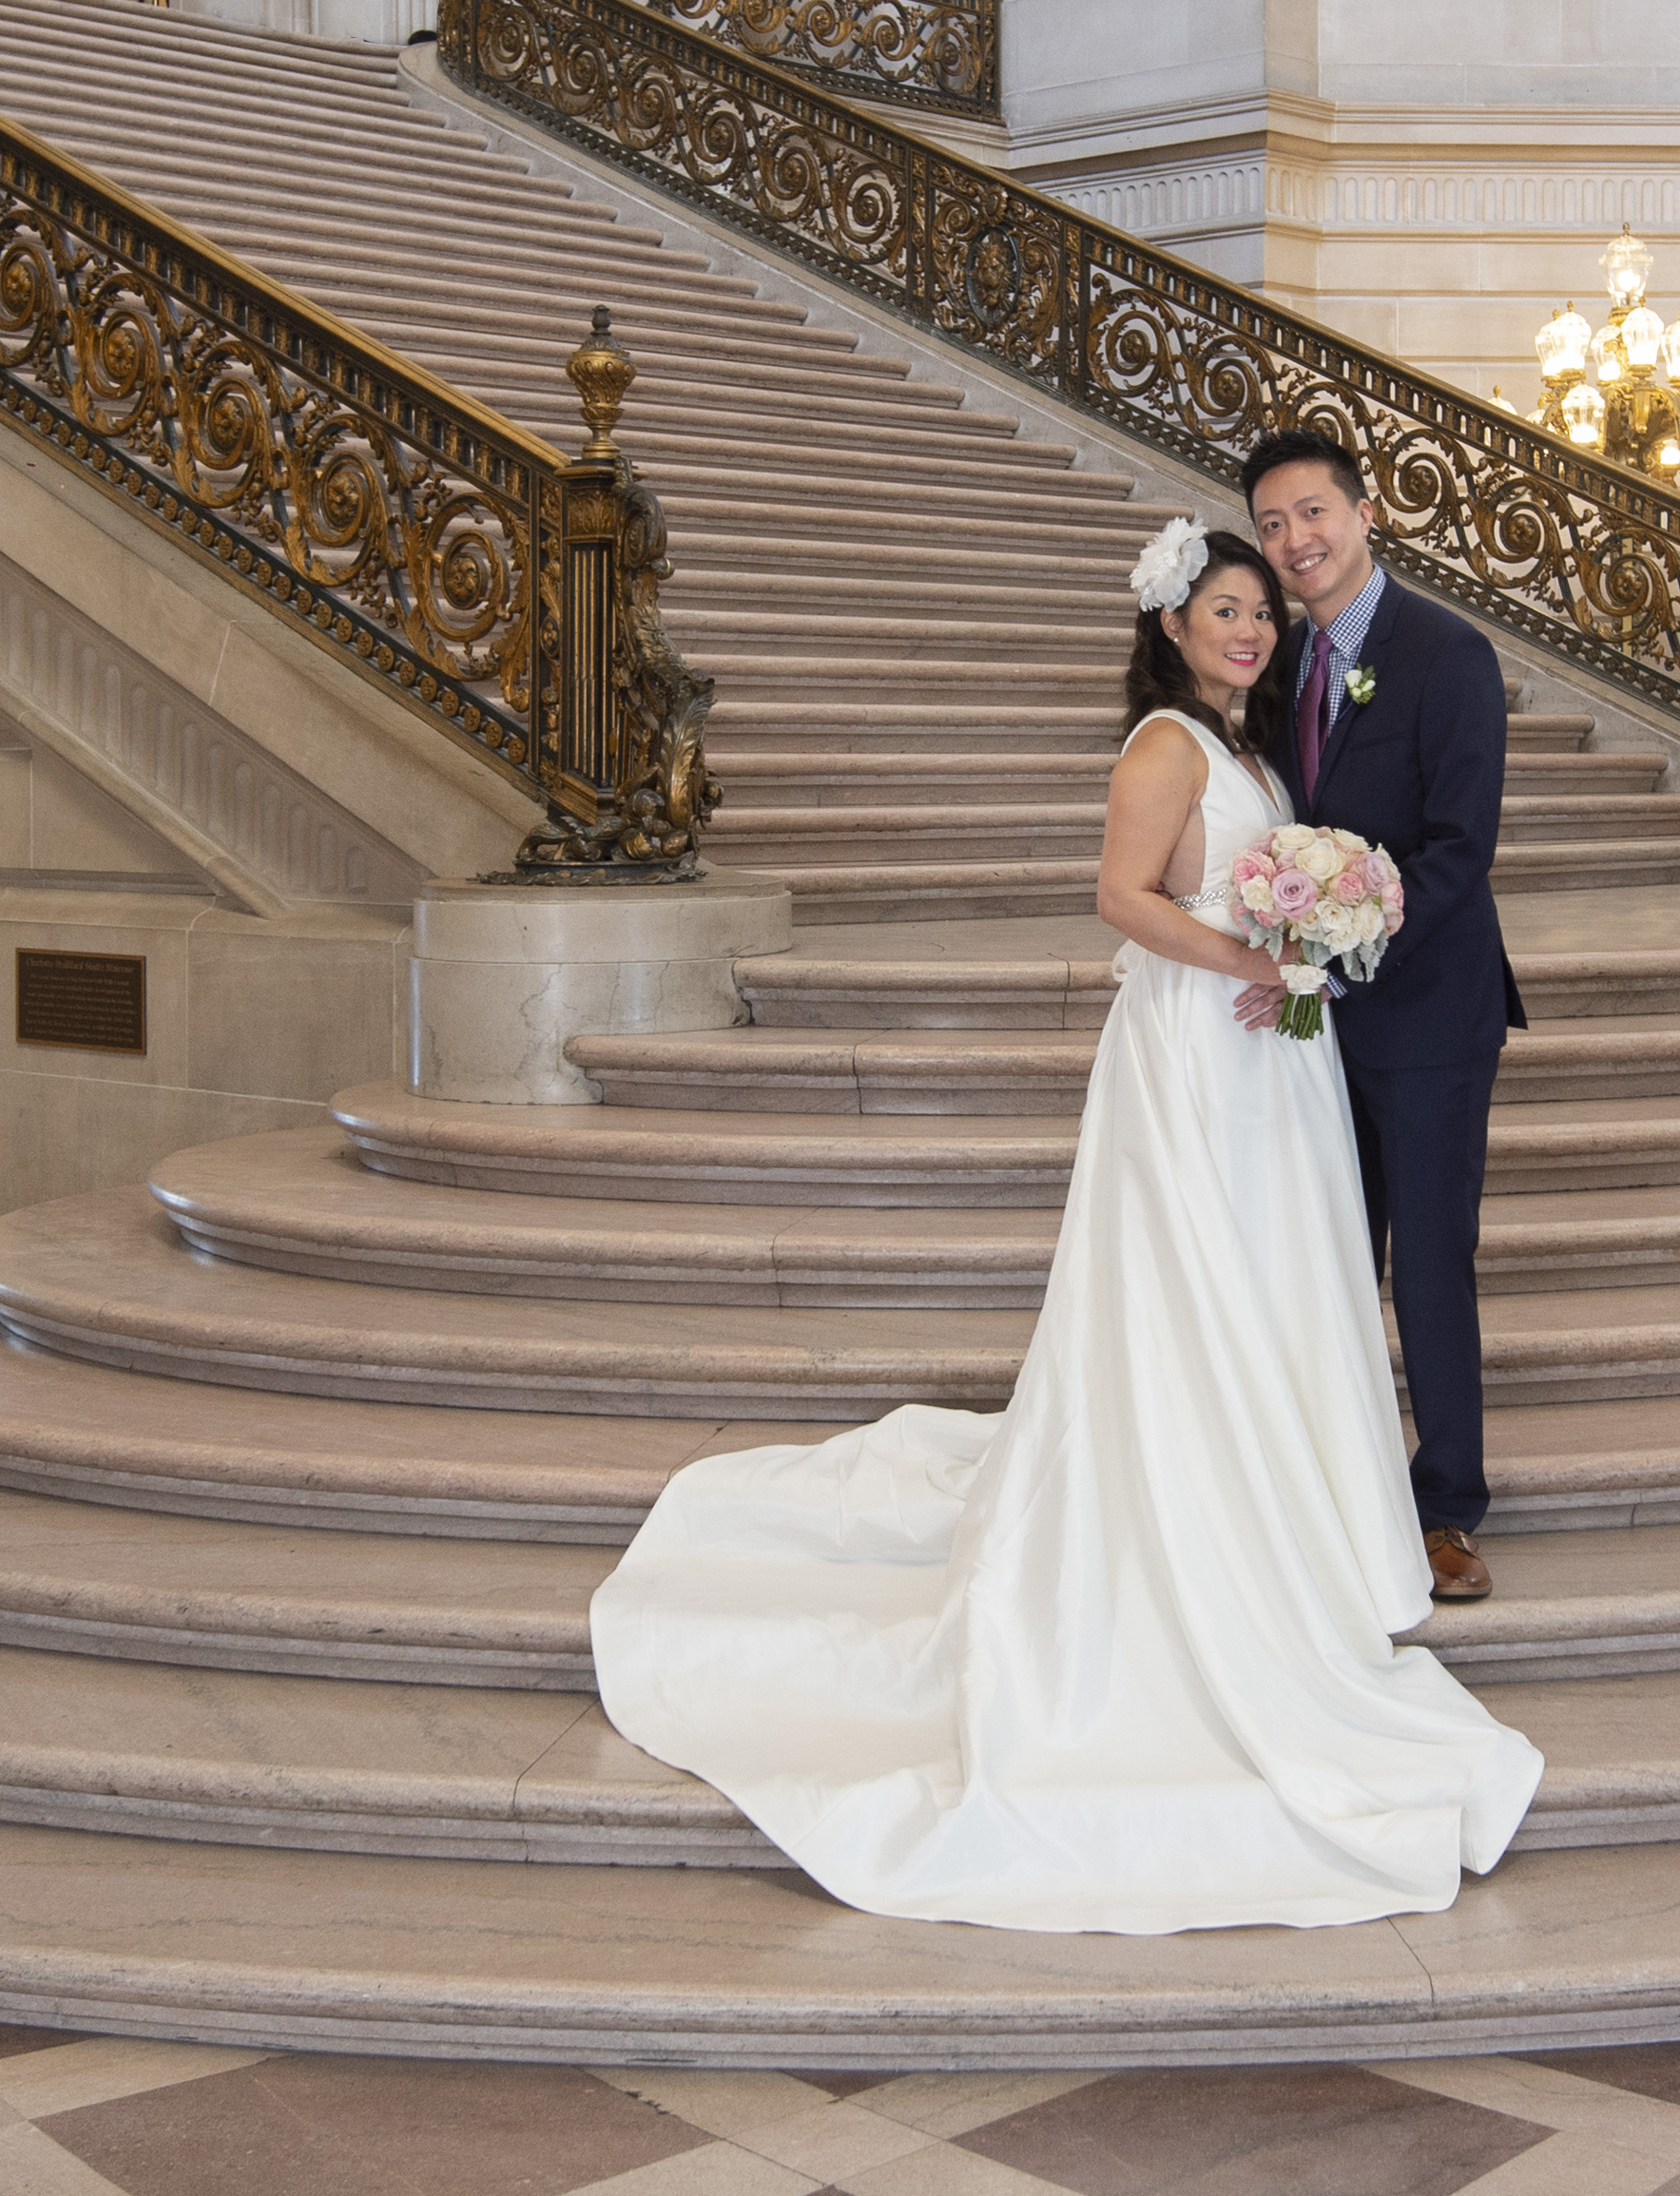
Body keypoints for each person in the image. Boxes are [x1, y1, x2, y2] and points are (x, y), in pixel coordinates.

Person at [588, 519, 1542, 1934]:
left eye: (1260, 614)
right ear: (1172, 622)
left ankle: (1286, 1512)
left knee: (1273, 1281)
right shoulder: (1163, 743)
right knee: (1191, 1282)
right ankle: (1188, 1519)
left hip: (1270, 1044)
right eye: (1226, 607)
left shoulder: (1255, 743)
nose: (1249, 629)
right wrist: (1252, 951)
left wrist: (1305, 945)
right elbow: (1118, 895)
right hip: (1197, 1044)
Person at [1243, 427, 1522, 1607]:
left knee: (1429, 1267)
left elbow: (1461, 850)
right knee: (1329, 1257)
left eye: (1312, 512)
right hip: (1317, 1023)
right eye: (1270, 524)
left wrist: (1354, 937)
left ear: (1365, 517)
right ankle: (1340, 1483)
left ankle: (1446, 1504)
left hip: (1426, 1016)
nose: (1293, 541)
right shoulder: (1280, 666)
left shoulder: (1445, 655)